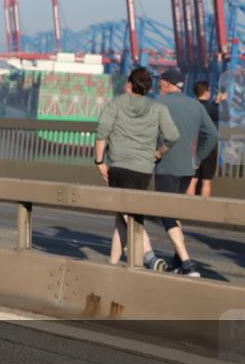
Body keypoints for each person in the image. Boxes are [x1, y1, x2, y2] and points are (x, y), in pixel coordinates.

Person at [94, 67, 180, 267]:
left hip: (120, 167)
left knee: (128, 213)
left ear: (130, 84)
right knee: (121, 217)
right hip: (144, 169)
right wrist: (158, 153)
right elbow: (173, 136)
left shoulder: (115, 104)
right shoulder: (158, 108)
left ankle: (149, 256)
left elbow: (102, 133)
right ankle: (113, 264)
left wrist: (99, 161)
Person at [151, 69, 218, 277]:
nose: (159, 86)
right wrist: (197, 158)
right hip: (188, 169)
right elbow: (213, 135)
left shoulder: (159, 104)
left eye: (161, 83)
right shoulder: (196, 105)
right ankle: (177, 260)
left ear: (169, 84)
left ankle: (188, 263)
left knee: (167, 214)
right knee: (175, 212)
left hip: (165, 166)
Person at [187, 81, 226, 197]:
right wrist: (223, 102)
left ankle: (188, 209)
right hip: (209, 149)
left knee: (192, 180)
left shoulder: (191, 107)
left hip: (193, 147)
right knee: (206, 180)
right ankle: (203, 211)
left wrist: (215, 103)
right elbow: (225, 116)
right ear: (206, 92)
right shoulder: (211, 109)